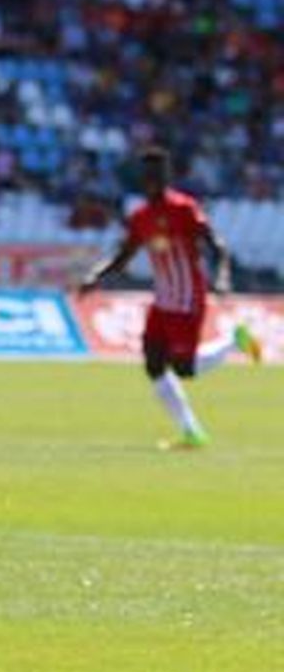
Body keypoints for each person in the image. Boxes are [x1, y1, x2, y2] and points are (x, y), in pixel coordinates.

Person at [79, 145, 262, 448]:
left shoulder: (184, 209)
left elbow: (216, 244)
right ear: (142, 179)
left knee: (184, 369)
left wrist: (222, 275)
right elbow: (123, 256)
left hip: (188, 297)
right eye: (148, 175)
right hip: (163, 300)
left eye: (158, 175)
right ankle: (192, 432)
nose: (152, 181)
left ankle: (234, 340)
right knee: (153, 364)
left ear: (165, 178)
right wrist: (95, 277)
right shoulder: (140, 217)